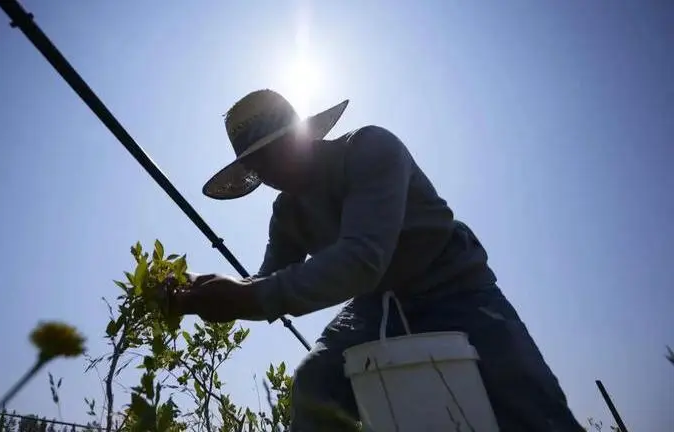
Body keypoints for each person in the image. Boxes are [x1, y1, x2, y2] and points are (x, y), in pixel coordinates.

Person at [172, 89, 584, 431]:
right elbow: (267, 282)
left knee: (528, 401)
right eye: (258, 163)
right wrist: (200, 290)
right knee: (317, 383)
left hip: (454, 283)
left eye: (274, 151)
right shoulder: (287, 213)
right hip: (373, 305)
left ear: (299, 136)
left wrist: (249, 298)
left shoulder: (370, 148)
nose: (271, 172)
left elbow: (361, 258)